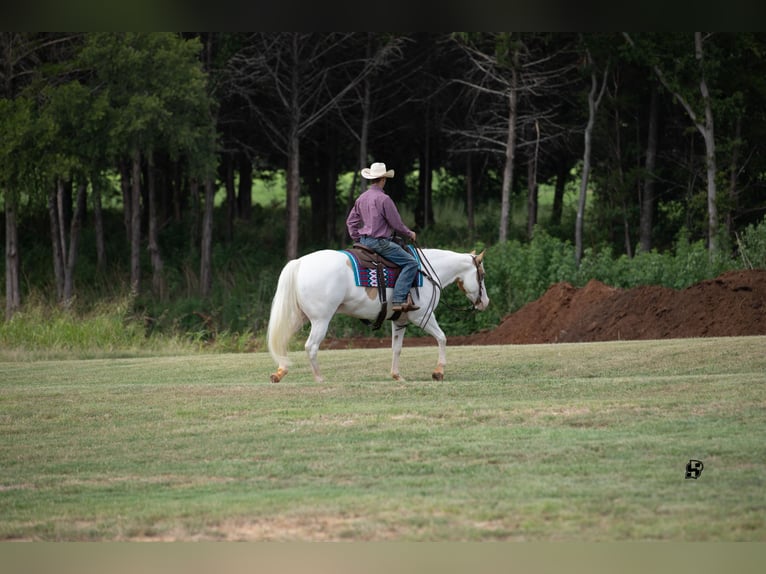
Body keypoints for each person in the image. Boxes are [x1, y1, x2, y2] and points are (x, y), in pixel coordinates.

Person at [346, 162, 420, 312]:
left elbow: (351, 222)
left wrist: (358, 239)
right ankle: (399, 299)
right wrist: (409, 233)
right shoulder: (384, 199)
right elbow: (397, 224)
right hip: (380, 243)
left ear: (371, 179)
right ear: (383, 179)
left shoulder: (361, 198)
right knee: (411, 263)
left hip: (364, 242)